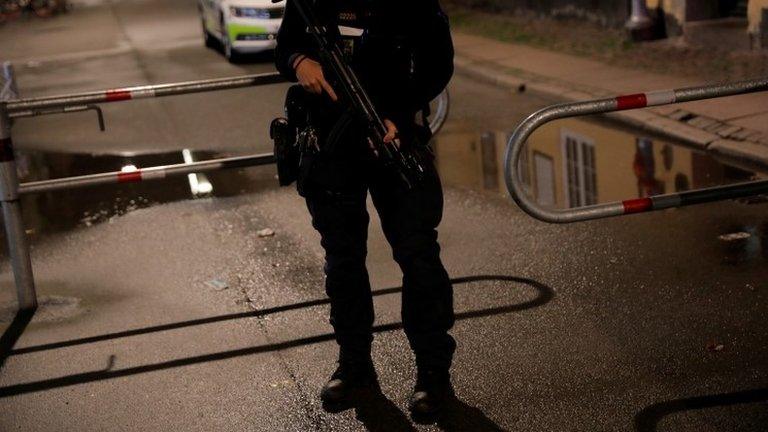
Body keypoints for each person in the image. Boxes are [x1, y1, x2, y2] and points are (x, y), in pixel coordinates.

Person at [275, 0, 456, 419]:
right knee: (343, 261)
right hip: (331, 148)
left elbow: (437, 63)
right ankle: (355, 366)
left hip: (393, 138)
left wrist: (397, 114)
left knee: (419, 256)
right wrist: (299, 61)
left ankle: (433, 373)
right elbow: (285, 44)